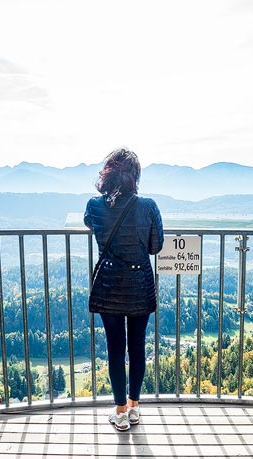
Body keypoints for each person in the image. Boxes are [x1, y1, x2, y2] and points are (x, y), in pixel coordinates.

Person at [84, 148, 163, 431]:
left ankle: (118, 411)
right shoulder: (148, 206)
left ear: (108, 174)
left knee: (115, 349)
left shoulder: (94, 206)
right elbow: (156, 247)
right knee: (137, 346)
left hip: (108, 286)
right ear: (135, 177)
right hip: (140, 285)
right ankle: (134, 408)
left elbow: (89, 224)